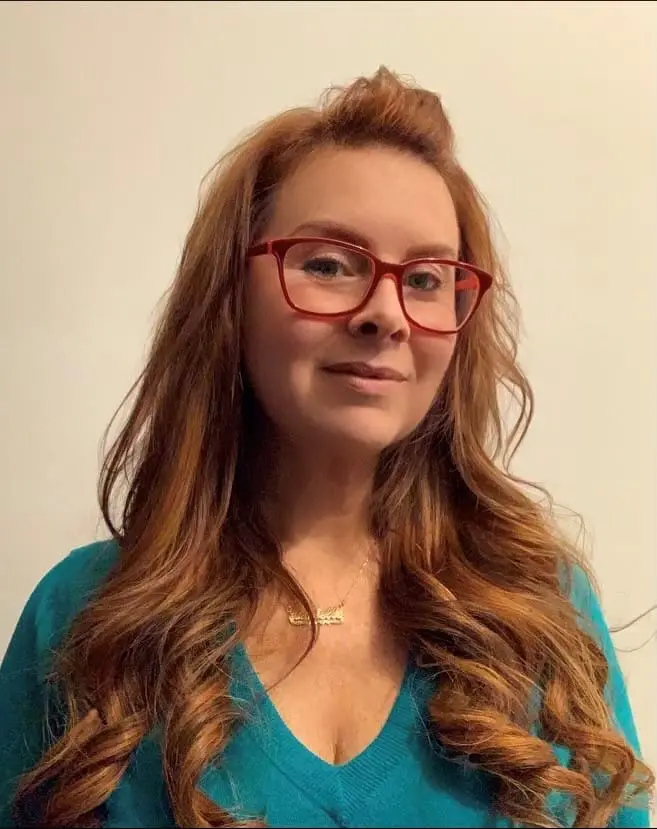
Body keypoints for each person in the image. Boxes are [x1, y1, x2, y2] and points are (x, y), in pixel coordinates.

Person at [0, 66, 653, 829]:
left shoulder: (544, 610)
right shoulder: (82, 617)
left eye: (426, 278)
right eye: (327, 264)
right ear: (228, 298)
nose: (386, 313)